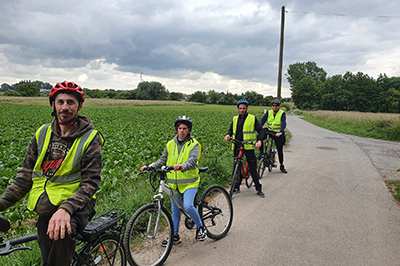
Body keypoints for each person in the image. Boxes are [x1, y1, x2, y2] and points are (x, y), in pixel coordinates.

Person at [0, 81, 104, 265]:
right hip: (46, 206)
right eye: (60, 102)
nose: (65, 107)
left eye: (71, 102)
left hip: (77, 207)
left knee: (61, 237)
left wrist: (66, 209)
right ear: (53, 105)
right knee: (47, 255)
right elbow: (24, 177)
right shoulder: (42, 133)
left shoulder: (90, 138)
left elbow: (90, 183)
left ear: (79, 106)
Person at [140, 116, 207, 245]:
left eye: (185, 129)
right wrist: (151, 166)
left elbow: (193, 160)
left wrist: (183, 166)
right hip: (173, 184)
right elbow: (162, 160)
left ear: (189, 130)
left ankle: (200, 227)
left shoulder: (194, 144)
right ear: (176, 130)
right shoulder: (170, 144)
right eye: (180, 128)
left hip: (189, 182)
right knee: (175, 210)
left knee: (187, 206)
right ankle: (175, 236)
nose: (182, 131)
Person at [224, 98, 266, 198]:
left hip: (249, 146)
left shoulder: (252, 118)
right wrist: (228, 135)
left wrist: (259, 141)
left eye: (244, 108)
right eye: (240, 108)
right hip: (237, 145)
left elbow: (261, 131)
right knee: (236, 166)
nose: (242, 110)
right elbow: (230, 130)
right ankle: (236, 186)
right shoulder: (235, 119)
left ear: (247, 109)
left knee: (252, 168)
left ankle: (258, 188)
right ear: (238, 109)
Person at [260, 99, 287, 173]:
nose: (275, 107)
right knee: (259, 138)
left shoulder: (282, 113)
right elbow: (262, 121)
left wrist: (281, 132)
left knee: (279, 149)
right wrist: (258, 128)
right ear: (272, 106)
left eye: (277, 105)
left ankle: (281, 165)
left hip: (278, 133)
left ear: (279, 106)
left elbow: (283, 123)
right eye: (274, 105)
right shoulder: (269, 113)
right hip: (269, 130)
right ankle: (262, 154)